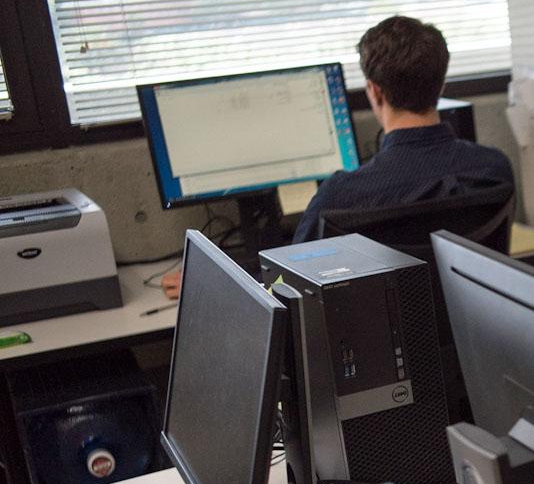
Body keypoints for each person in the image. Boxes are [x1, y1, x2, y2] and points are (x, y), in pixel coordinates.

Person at [161, 15, 513, 297]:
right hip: (469, 352)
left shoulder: (343, 195)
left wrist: (209, 278)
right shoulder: (494, 169)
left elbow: (281, 283)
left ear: (374, 91)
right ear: (442, 85)